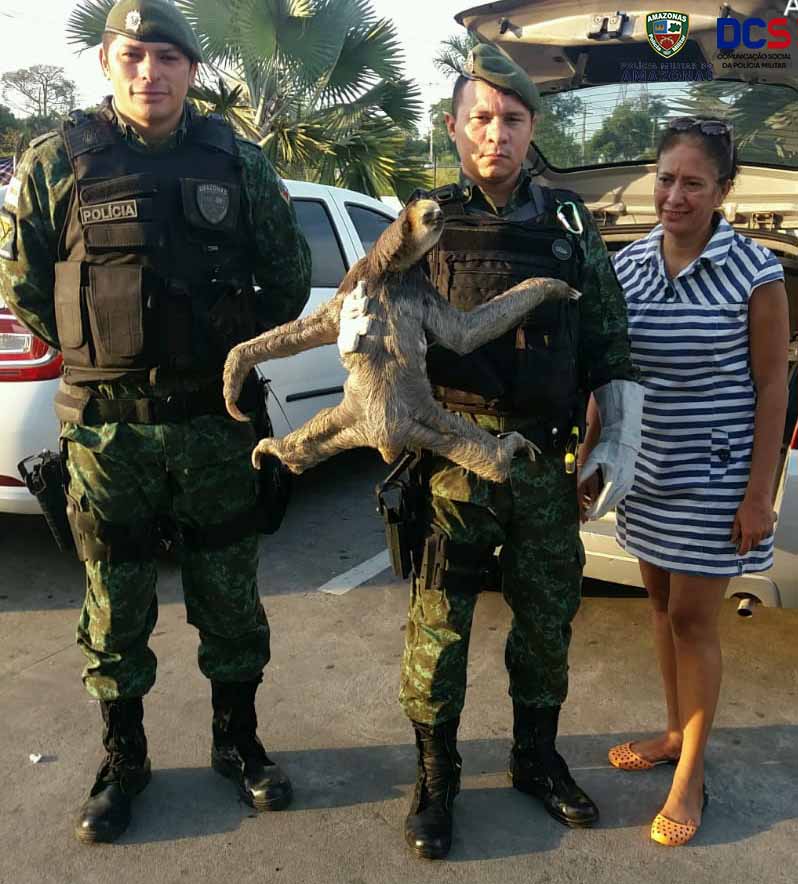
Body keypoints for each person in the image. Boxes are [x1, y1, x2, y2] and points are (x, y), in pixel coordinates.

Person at [0, 0, 311, 843]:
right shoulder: (55, 161)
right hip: (110, 434)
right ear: (108, 63)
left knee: (231, 601)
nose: (151, 73)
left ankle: (238, 743)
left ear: (192, 72)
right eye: (134, 55)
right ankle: (123, 759)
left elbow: (284, 284)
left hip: (216, 426)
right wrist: (107, 347)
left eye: (168, 58)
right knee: (114, 607)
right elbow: (28, 288)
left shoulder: (238, 162)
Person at [341, 44, 643, 859]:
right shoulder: (418, 224)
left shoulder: (570, 224)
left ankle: (534, 759)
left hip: (543, 464)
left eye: (511, 119)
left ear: (532, 127)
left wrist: (617, 433)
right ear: (453, 127)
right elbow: (362, 326)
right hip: (449, 462)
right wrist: (378, 416)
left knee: (546, 622)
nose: (495, 133)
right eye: (480, 117)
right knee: (439, 626)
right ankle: (435, 780)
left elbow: (608, 338)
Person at [582, 117, 789, 847]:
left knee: (695, 621)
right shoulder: (628, 264)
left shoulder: (755, 271)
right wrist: (590, 456)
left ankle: (690, 774)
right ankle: (674, 732)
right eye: (666, 177)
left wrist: (760, 491)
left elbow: (772, 386)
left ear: (723, 190)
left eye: (692, 182)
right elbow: (606, 371)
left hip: (718, 475)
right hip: (647, 470)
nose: (674, 194)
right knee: (662, 608)